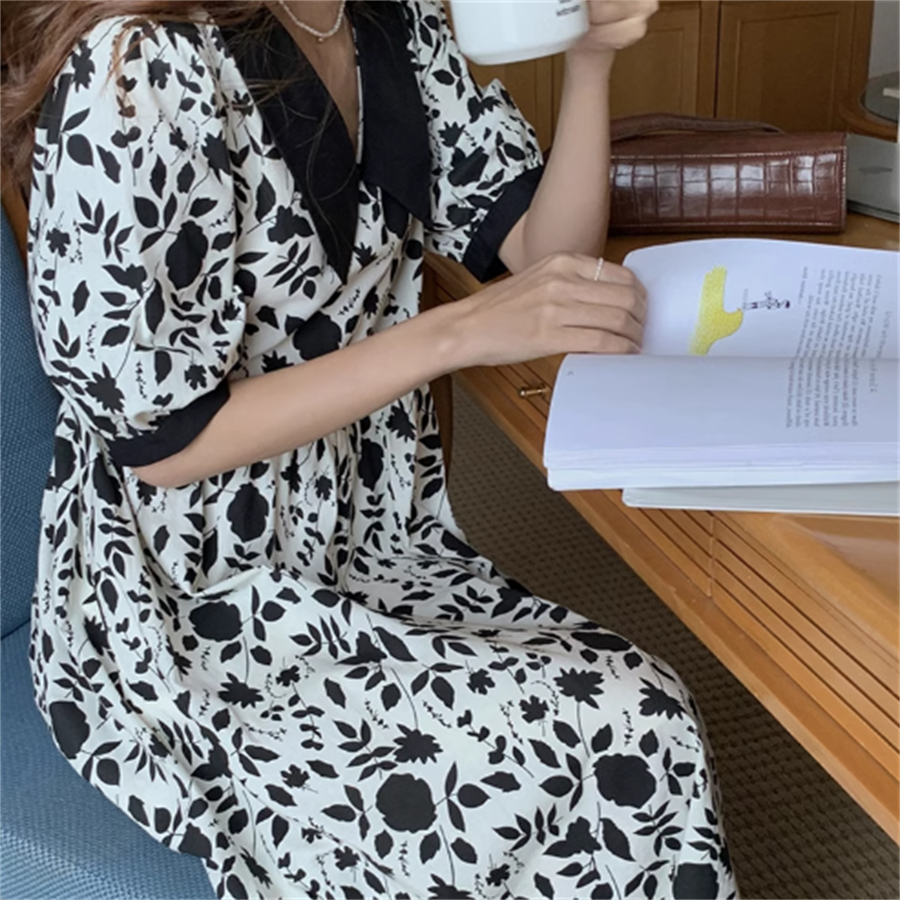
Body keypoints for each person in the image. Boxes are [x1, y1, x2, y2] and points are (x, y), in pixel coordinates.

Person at [1, 0, 738, 897]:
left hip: (370, 540)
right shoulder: (138, 69)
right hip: (193, 594)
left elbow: (546, 256)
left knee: (639, 714)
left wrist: (589, 65)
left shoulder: (396, 20)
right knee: (612, 732)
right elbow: (161, 440)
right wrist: (455, 333)